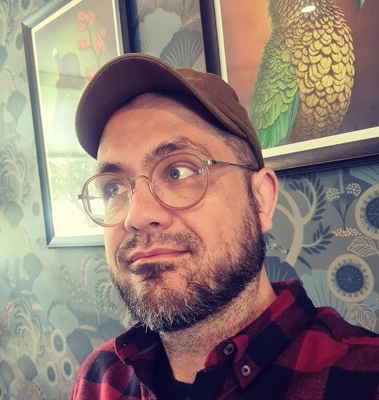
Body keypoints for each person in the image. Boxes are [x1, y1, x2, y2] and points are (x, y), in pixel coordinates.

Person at [71, 53, 379, 400]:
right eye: (113, 188)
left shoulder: (365, 378)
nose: (136, 215)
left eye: (178, 171)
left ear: (261, 199)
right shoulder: (100, 379)